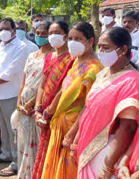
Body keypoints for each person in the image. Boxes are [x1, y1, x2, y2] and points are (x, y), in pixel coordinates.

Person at [41, 22, 102, 179]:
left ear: (90, 42)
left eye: (78, 39)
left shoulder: (95, 69)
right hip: (60, 122)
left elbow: (89, 107)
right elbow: (64, 88)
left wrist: (71, 135)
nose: (72, 42)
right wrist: (50, 109)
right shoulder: (77, 60)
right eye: (70, 38)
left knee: (68, 169)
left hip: (74, 127)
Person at [77, 27, 139, 178]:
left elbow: (128, 127)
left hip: (108, 150)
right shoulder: (103, 73)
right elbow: (89, 109)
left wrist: (108, 165)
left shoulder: (132, 80)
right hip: (88, 146)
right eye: (99, 47)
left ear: (123, 49)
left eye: (106, 47)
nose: (101, 52)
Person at [0, 17, 30, 177]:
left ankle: (16, 162)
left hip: (11, 93)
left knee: (14, 129)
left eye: (6, 29)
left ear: (14, 30)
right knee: (3, 127)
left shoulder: (21, 47)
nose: (2, 32)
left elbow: (13, 69)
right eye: (0, 29)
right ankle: (6, 153)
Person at [31, 21, 75, 179]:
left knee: (55, 151)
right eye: (50, 33)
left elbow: (66, 88)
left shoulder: (72, 59)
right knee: (43, 149)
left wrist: (50, 112)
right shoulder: (49, 57)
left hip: (59, 113)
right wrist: (37, 109)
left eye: (56, 32)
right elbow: (42, 85)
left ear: (65, 34)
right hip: (43, 113)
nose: (52, 36)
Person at [10, 21, 52, 179]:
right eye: (38, 33)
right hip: (23, 106)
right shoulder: (31, 56)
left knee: (37, 145)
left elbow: (48, 86)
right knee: (23, 143)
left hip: (38, 107)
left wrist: (32, 104)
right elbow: (23, 81)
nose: (41, 36)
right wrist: (18, 104)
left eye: (45, 34)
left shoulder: (53, 57)